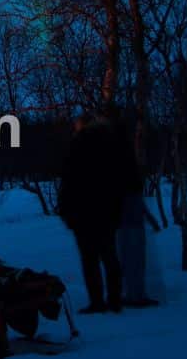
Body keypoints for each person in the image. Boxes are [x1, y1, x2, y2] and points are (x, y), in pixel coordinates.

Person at [57, 110, 141, 314]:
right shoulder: (112, 145)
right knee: (108, 255)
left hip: (84, 212)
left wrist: (66, 209)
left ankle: (98, 301)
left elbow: (70, 181)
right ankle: (114, 300)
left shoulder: (79, 146)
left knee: (90, 258)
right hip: (107, 211)